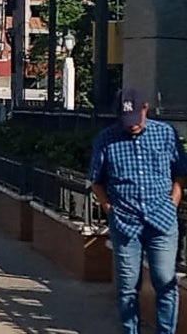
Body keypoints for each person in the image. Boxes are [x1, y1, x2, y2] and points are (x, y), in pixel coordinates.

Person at [90, 88, 187, 334]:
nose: (132, 126)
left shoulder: (165, 134)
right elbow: (96, 180)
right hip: (125, 223)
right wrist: (109, 208)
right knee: (127, 286)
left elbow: (180, 171)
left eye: (135, 119)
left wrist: (174, 200)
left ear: (145, 109)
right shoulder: (106, 139)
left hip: (162, 220)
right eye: (126, 121)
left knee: (165, 282)